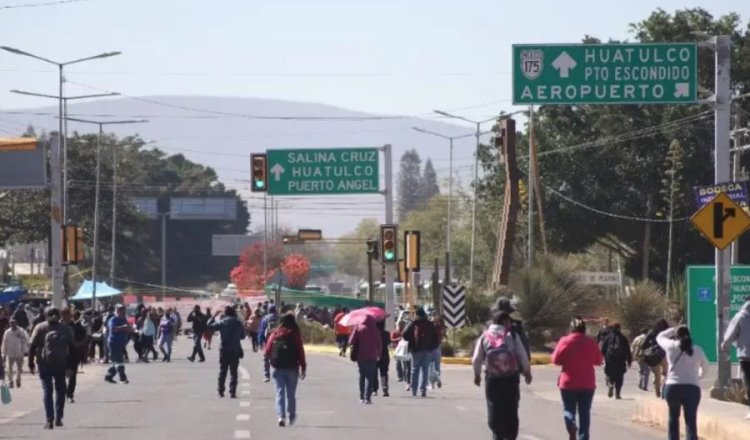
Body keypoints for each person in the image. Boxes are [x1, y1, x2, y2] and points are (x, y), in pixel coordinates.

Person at [472, 311, 532, 440]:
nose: (510, 324)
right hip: (510, 379)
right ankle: (510, 435)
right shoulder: (512, 335)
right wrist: (527, 372)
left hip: (493, 379)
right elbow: (522, 355)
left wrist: (477, 375)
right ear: (505, 322)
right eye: (509, 321)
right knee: (511, 407)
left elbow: (477, 358)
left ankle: (497, 434)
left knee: (494, 406)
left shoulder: (485, 336)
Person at [551, 317, 603, 440]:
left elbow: (555, 360)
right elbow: (598, 360)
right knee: (585, 413)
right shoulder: (590, 342)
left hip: (568, 383)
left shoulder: (564, 341)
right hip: (587, 384)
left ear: (571, 329)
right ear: (584, 329)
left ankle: (571, 424)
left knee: (569, 409)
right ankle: (583, 437)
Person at [657, 325, 708, 440]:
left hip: (672, 387)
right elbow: (706, 366)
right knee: (690, 420)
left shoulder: (670, 346)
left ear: (676, 336)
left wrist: (673, 329)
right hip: (692, 388)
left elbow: (660, 337)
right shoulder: (697, 349)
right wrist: (699, 377)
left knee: (673, 417)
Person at [28, 307, 76, 430]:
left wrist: (31, 363)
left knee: (47, 391)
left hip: (44, 363)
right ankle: (59, 418)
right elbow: (73, 349)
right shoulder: (65, 329)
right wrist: (71, 366)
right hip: (61, 363)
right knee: (60, 391)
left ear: (45, 314)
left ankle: (49, 419)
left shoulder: (40, 327)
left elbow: (32, 346)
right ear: (58, 315)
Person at [264, 313, 307, 427]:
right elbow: (300, 352)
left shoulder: (276, 333)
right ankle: (291, 416)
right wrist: (303, 367)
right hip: (292, 368)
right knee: (291, 394)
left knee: (279, 393)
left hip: (277, 367)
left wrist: (269, 364)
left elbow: (267, 350)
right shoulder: (295, 334)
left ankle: (281, 416)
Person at [207, 306, 246, 398]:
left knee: (223, 370)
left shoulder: (222, 322)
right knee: (234, 372)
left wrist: (214, 316)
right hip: (234, 349)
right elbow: (243, 336)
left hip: (224, 349)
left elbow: (209, 326)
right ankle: (232, 392)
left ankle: (221, 391)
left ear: (225, 313)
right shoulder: (238, 323)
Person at [722, 297, 750, 420]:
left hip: (746, 356)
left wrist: (725, 346)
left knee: (748, 382)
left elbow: (731, 333)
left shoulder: (741, 316)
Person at [402, 308, 439, 397]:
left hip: (415, 350)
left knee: (414, 369)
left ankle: (414, 390)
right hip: (427, 350)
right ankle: (423, 390)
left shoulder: (413, 323)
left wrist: (411, 343)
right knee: (425, 370)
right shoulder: (430, 324)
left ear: (416, 314)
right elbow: (436, 338)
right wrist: (432, 347)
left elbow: (404, 334)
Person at [348, 314, 381, 404]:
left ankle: (361, 396)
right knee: (369, 377)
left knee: (362, 375)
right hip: (372, 356)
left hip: (361, 355)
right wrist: (379, 354)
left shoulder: (358, 328)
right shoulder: (376, 330)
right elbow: (379, 344)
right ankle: (367, 398)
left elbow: (350, 341)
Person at [492, 297, 531, 362]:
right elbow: (525, 346)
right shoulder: (516, 326)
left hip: (494, 367)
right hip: (513, 367)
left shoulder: (489, 327)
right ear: (509, 312)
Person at [600, 323, 632, 399]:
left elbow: (603, 349)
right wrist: (629, 361)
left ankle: (610, 384)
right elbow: (627, 350)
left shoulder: (608, 337)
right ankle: (617, 394)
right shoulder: (623, 338)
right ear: (619, 328)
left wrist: (603, 357)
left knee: (609, 374)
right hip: (620, 361)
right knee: (619, 377)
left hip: (610, 360)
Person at [62, 309, 87, 402]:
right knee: (61, 375)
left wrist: (79, 345)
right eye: (64, 314)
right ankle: (64, 392)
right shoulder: (57, 326)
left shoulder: (76, 326)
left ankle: (70, 394)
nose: (66, 316)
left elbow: (84, 338)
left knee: (72, 375)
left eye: (68, 314)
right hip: (60, 354)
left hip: (73, 353)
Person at [105, 305, 134, 384]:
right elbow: (113, 329)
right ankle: (122, 378)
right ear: (117, 311)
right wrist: (123, 327)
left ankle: (109, 376)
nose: (123, 313)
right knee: (119, 360)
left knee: (116, 361)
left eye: (123, 311)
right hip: (113, 342)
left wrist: (130, 329)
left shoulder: (124, 319)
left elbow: (128, 327)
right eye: (121, 311)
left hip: (121, 343)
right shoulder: (113, 320)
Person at [642, 319, 670, 398]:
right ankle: (664, 390)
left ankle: (657, 390)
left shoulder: (651, 332)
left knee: (657, 375)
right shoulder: (667, 333)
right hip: (665, 355)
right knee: (666, 374)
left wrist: (649, 348)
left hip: (653, 355)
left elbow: (644, 344)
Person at [2, 318, 29, 388]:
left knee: (19, 368)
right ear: (9, 324)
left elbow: (26, 340)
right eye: (11, 324)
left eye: (14, 323)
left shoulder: (21, 331)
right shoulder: (7, 332)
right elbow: (4, 343)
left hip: (19, 352)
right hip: (10, 352)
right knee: (9, 368)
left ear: (16, 324)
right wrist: (3, 354)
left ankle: (18, 380)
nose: (12, 325)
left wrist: (21, 337)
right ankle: (11, 381)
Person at [258, 306, 280, 382]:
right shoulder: (279, 318)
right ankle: (277, 375)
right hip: (278, 341)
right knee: (277, 357)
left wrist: (260, 342)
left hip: (267, 341)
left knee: (266, 358)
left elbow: (261, 331)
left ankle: (266, 375)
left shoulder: (265, 318)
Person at [371, 319, 390, 397]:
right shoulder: (386, 333)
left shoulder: (373, 333)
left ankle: (374, 389)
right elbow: (388, 342)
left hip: (374, 354)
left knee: (374, 372)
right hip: (384, 354)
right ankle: (384, 387)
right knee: (384, 372)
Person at [391, 320, 411, 388]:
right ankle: (400, 376)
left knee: (406, 365)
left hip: (405, 350)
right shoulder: (395, 332)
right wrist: (398, 339)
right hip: (398, 350)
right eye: (401, 325)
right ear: (399, 325)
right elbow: (391, 339)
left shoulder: (406, 332)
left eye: (403, 325)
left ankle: (406, 377)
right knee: (398, 364)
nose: (402, 326)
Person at [630, 327, 650, 392]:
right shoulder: (649, 338)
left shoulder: (637, 338)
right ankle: (645, 386)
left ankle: (640, 383)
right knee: (646, 371)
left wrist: (633, 354)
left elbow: (632, 346)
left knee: (641, 370)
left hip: (639, 355)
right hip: (647, 355)